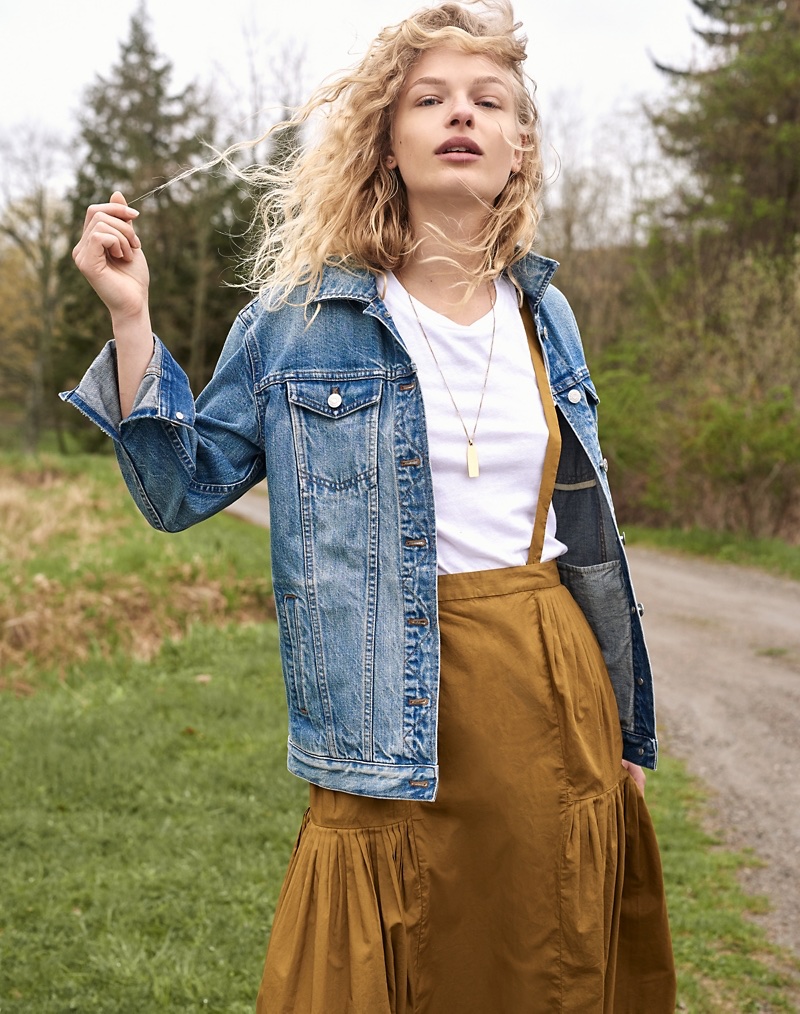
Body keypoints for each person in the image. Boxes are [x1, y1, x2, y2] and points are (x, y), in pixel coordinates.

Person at [65, 2, 677, 1011]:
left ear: (519, 146)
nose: (459, 117)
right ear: (386, 140)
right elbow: (180, 490)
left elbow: (586, 538)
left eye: (488, 101)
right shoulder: (300, 319)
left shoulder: (546, 313)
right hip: (381, 701)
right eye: (428, 99)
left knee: (537, 966)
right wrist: (131, 318)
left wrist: (624, 727)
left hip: (548, 691)